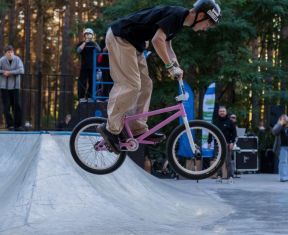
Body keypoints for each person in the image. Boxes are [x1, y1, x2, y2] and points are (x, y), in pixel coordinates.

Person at [97, 0, 221, 154]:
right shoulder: (176, 15)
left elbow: (167, 45)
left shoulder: (179, 20)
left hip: (134, 44)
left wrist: (176, 66)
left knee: (146, 85)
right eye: (208, 24)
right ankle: (110, 128)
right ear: (201, 15)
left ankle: (137, 128)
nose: (206, 29)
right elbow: (157, 40)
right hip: (120, 37)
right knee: (131, 84)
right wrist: (169, 67)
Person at [208, 106, 237, 179]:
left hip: (227, 144)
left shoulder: (230, 122)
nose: (222, 112)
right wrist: (209, 142)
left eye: (223, 111)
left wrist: (232, 142)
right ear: (218, 112)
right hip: (217, 144)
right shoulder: (215, 121)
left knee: (228, 161)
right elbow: (210, 132)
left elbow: (234, 133)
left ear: (226, 112)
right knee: (218, 161)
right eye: (220, 111)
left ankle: (230, 176)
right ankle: (219, 176)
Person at [0, 45, 24, 131]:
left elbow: (21, 70)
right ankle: (9, 124)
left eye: (11, 52)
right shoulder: (2, 60)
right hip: (4, 87)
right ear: (5, 53)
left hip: (15, 87)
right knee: (6, 107)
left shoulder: (17, 60)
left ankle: (18, 125)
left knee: (16, 106)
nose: (10, 54)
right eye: (8, 52)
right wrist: (3, 72)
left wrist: (10, 73)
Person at [76, 28, 101, 102]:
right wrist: (85, 42)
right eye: (86, 34)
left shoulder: (94, 44)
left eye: (89, 34)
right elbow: (78, 50)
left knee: (92, 82)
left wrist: (94, 42)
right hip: (84, 66)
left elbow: (99, 50)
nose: (88, 35)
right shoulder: (81, 43)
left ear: (92, 35)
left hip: (93, 67)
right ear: (84, 35)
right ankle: (81, 98)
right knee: (82, 81)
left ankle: (90, 97)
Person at [272, 114, 288, 182]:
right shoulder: (278, 125)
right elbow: (274, 132)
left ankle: (285, 175)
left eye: (286, 119)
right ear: (280, 119)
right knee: (283, 162)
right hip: (282, 147)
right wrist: (280, 124)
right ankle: (283, 177)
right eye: (283, 119)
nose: (285, 120)